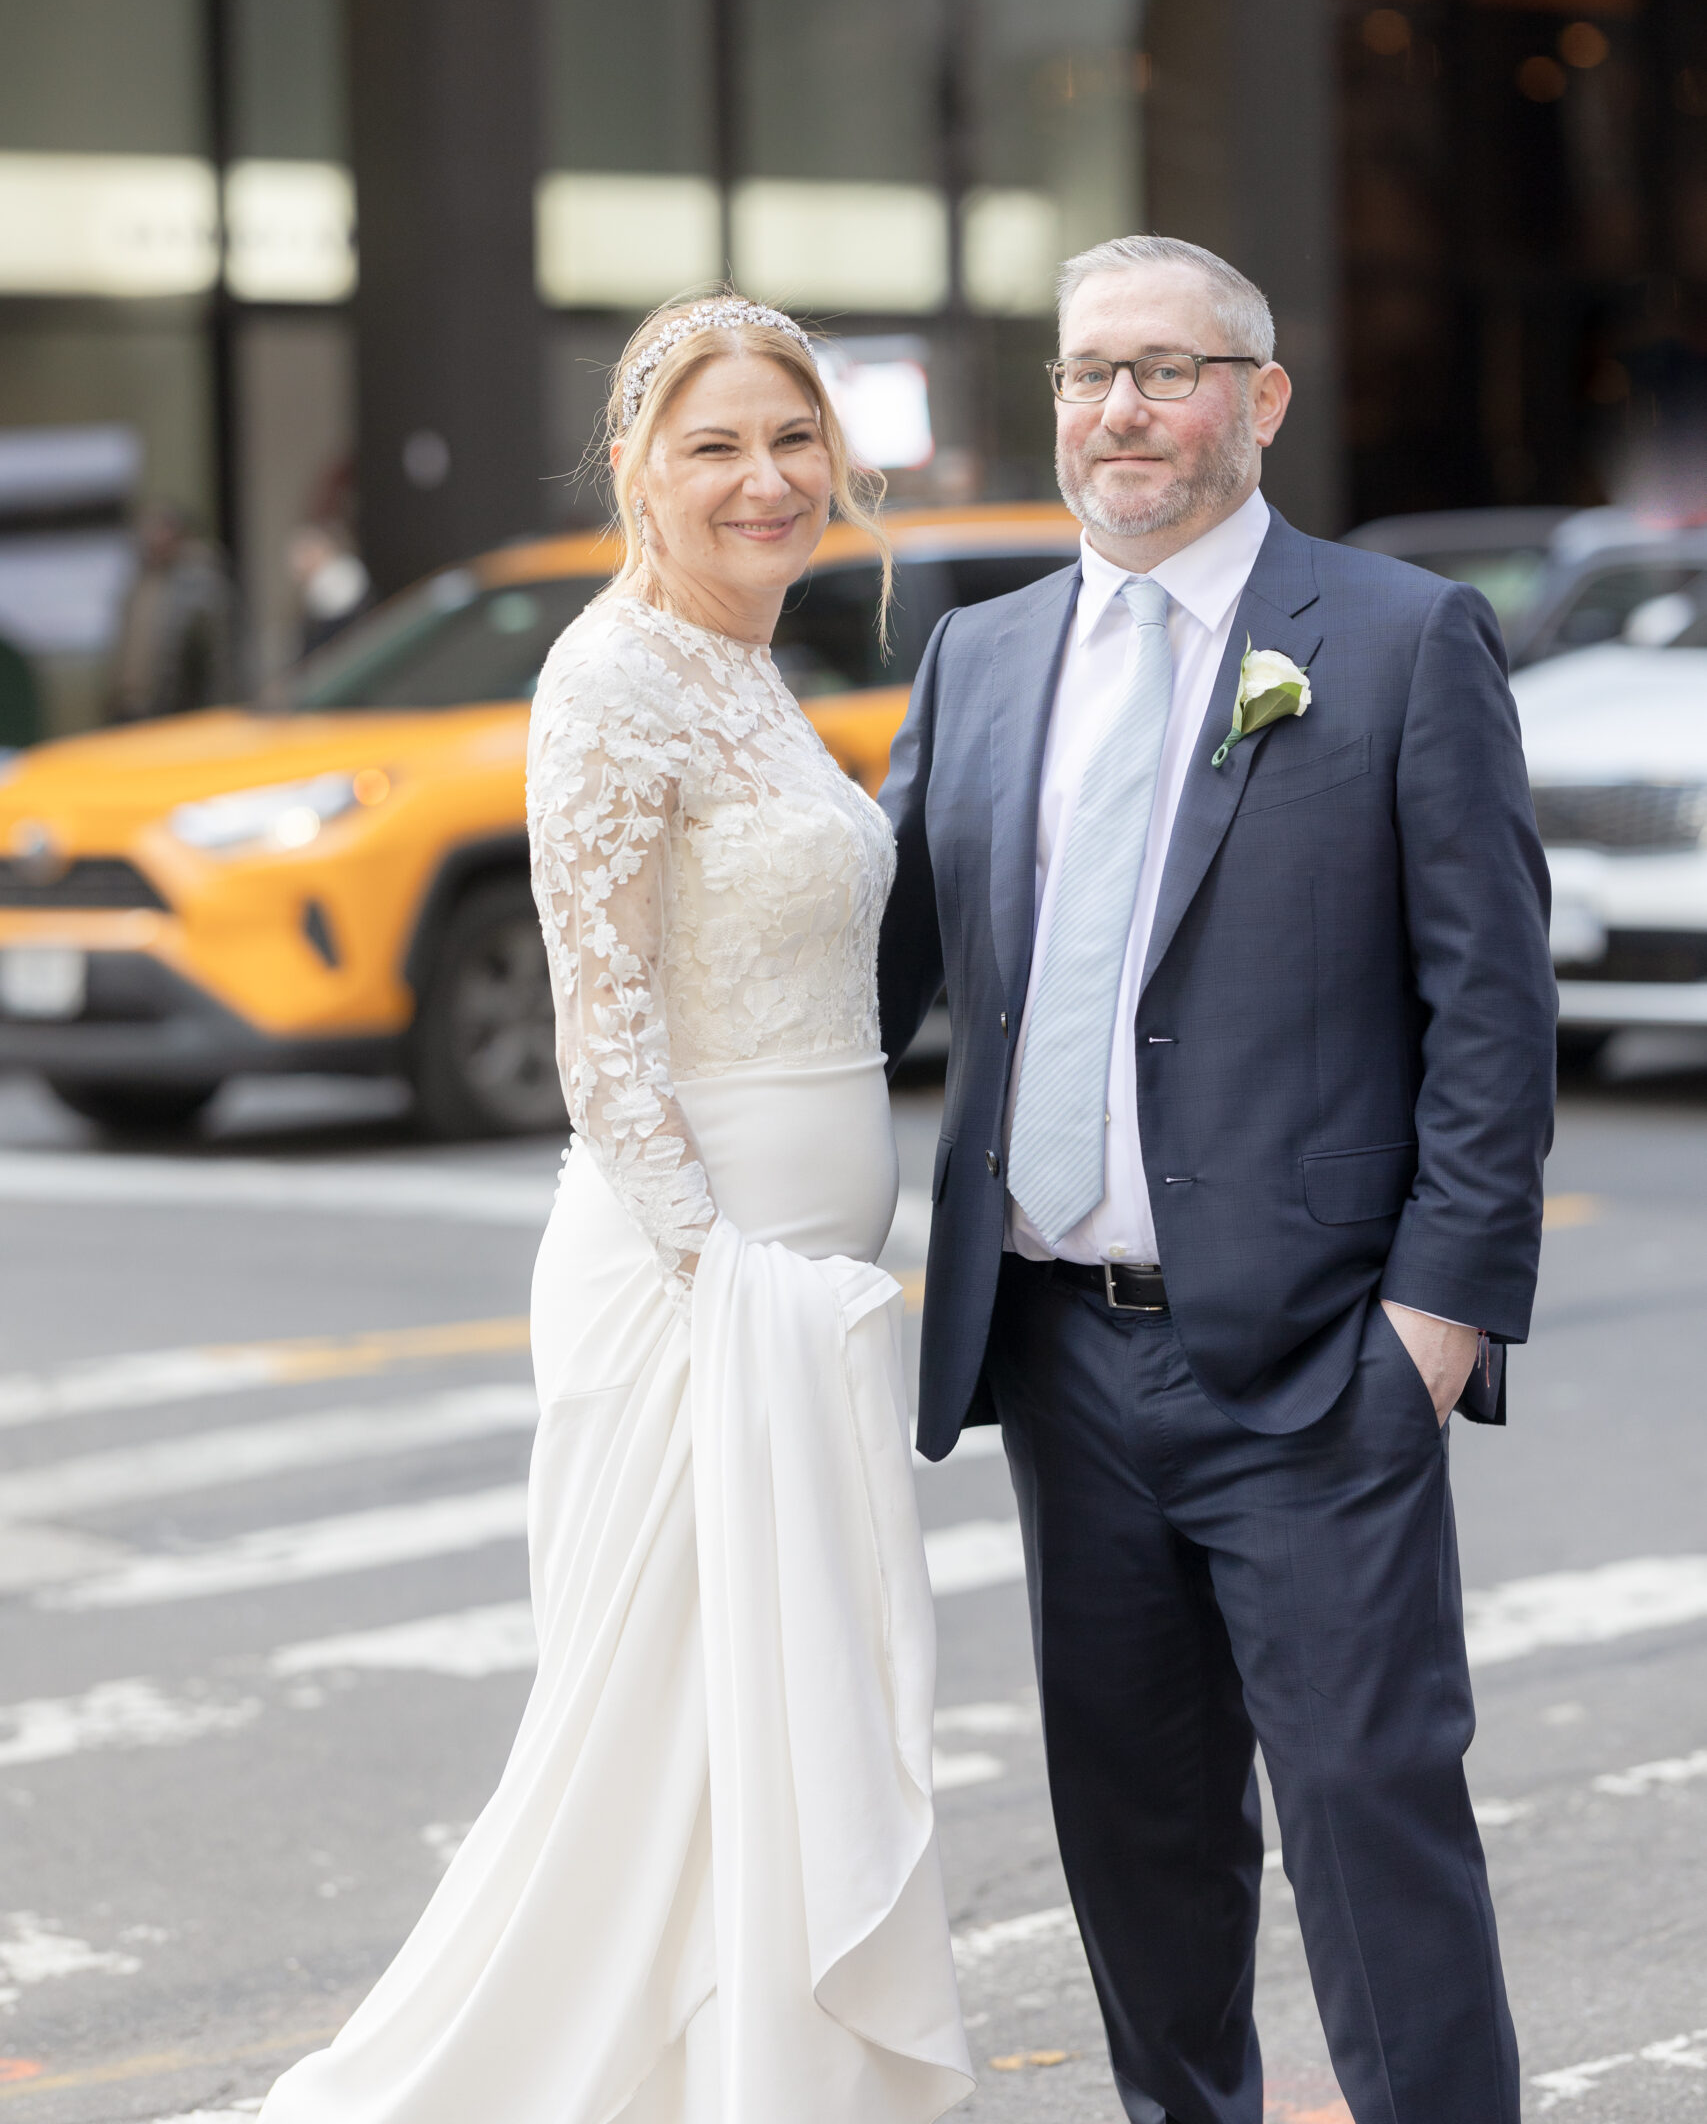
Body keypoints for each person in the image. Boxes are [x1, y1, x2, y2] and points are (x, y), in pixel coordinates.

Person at [258, 296, 972, 2124]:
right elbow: (603, 1035)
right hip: (692, 1289)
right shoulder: (610, 675)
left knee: (763, 1748)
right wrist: (722, 1276)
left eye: (790, 440)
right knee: (653, 1752)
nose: (763, 479)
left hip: (796, 1277)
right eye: (714, 444)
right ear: (636, 468)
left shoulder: (758, 670)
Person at [878, 233, 1556, 2124]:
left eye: (1169, 371)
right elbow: (867, 977)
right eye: (1092, 373)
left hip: (1320, 1360)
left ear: (1258, 401)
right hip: (1059, 1369)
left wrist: (1434, 1319)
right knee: (1135, 1841)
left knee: (1369, 1820)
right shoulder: (981, 655)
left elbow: (1491, 1014)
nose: (1123, 410)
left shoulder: (1403, 639)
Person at [109, 499, 237, 722]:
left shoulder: (199, 583)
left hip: (177, 712)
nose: (149, 536)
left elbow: (219, 659)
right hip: (131, 709)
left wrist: (215, 714)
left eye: (158, 529)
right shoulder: (140, 581)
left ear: (176, 534)